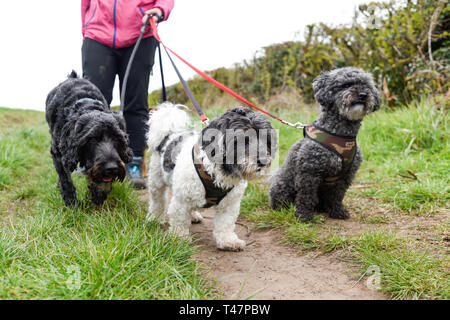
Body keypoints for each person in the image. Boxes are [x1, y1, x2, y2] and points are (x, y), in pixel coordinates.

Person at [80, 0, 174, 189]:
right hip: (98, 35)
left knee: (136, 103)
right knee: (93, 105)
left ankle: (134, 163)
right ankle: (88, 161)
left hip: (141, 33)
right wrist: (87, 27)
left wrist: (160, 10)